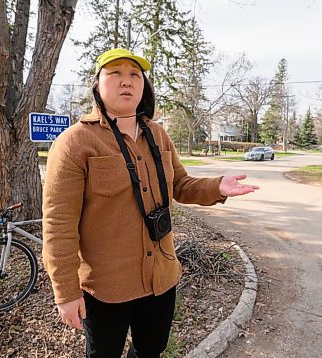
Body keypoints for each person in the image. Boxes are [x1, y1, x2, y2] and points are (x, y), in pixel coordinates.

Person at [42, 48, 259, 358]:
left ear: (143, 86)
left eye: (134, 75)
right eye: (114, 73)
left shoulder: (158, 134)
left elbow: (181, 186)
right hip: (106, 288)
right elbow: (58, 225)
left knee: (151, 350)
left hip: (161, 278)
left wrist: (216, 186)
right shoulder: (74, 143)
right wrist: (65, 292)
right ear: (97, 85)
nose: (126, 81)